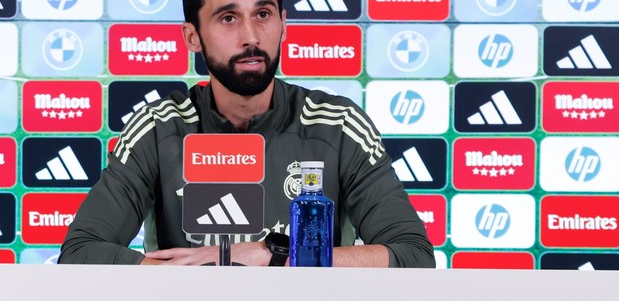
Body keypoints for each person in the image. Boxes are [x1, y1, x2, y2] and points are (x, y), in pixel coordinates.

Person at [58, 0, 435, 267]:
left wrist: (272, 255)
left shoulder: (338, 125)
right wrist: (180, 276)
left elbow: (413, 256)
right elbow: (80, 252)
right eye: (228, 18)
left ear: (283, 23)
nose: (250, 36)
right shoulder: (159, 127)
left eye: (263, 14)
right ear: (192, 37)